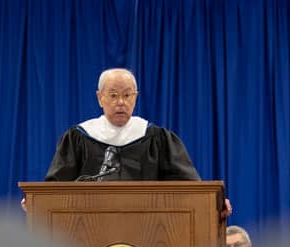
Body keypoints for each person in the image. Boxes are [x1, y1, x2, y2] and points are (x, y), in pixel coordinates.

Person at [25, 68, 231, 216]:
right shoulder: (79, 137)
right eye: (113, 95)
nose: (120, 102)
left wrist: (214, 203)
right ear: (99, 98)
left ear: (136, 97)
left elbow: (189, 187)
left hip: (149, 228)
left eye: (127, 95)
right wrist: (38, 201)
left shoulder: (156, 138)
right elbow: (57, 187)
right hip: (88, 227)